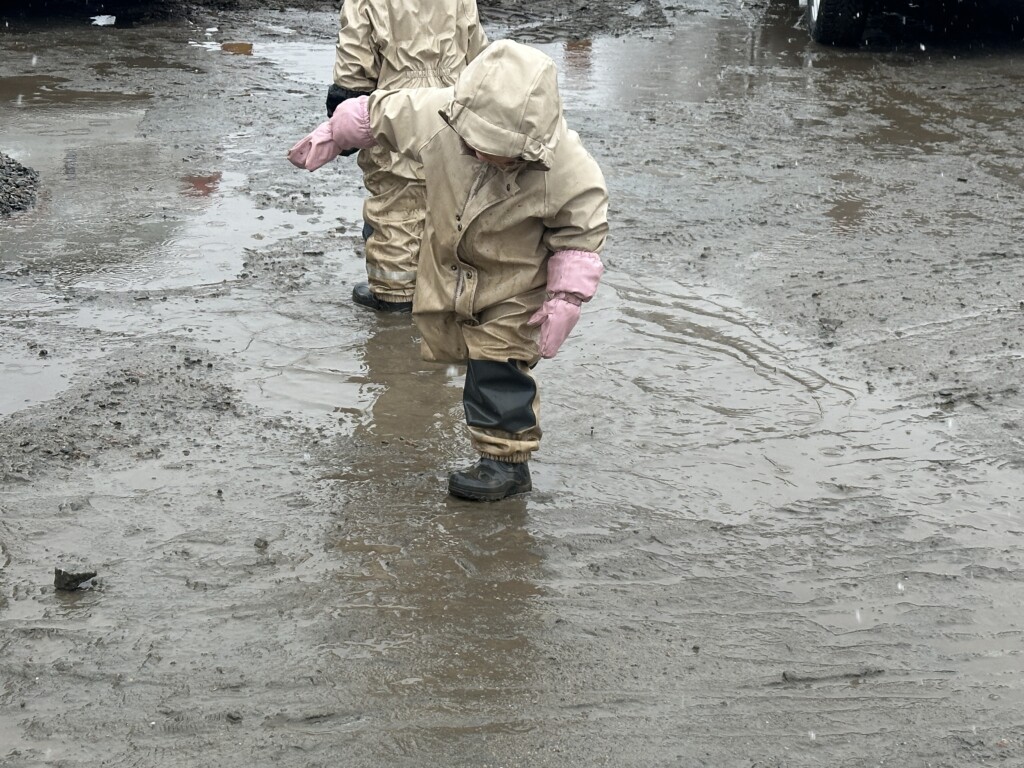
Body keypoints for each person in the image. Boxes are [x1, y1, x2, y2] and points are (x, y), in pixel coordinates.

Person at [289, 40, 609, 501]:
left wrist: (566, 298)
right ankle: (494, 442)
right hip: (452, 263)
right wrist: (336, 132)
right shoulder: (437, 116)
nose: (483, 155)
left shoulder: (567, 169)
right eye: (473, 144)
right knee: (459, 343)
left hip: (516, 282)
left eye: (499, 151)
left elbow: (581, 233)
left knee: (498, 363)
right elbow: (382, 113)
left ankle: (505, 463)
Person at [326, 0, 489, 313]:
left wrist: (343, 112)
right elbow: (478, 56)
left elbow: (353, 68)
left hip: (394, 117)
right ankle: (447, 292)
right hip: (449, 114)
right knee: (449, 206)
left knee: (396, 209)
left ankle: (395, 296)